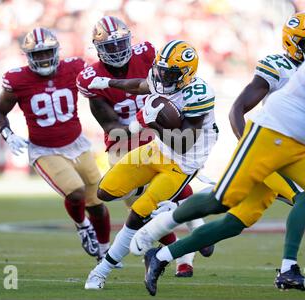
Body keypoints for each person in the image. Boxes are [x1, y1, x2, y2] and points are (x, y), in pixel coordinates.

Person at [142, 29, 305, 299]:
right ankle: (158, 226)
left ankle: (162, 255)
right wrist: (243, 143)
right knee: (223, 199)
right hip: (271, 136)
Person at [132, 12, 305, 291]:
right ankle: (289, 269)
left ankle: (162, 255)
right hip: (271, 149)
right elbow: (237, 109)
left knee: (234, 221)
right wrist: (249, 144)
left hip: (295, 153)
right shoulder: (278, 66)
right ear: (291, 42)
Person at [76, 16, 211, 278]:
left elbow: (160, 84)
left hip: (156, 133)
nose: (116, 51)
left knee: (176, 184)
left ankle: (198, 233)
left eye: (120, 44)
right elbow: (113, 127)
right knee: (138, 205)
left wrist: (160, 120)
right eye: (109, 47)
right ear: (98, 48)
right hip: (122, 141)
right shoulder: (91, 77)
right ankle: (178, 250)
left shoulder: (147, 53)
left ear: (129, 41)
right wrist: (144, 121)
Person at [0, 27, 110, 260]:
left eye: (47, 52)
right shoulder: (17, 79)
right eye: (38, 54)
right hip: (45, 150)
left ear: (56, 51)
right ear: (28, 56)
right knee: (76, 193)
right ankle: (83, 226)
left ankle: (105, 253)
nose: (44, 58)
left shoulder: (74, 68)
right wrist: (8, 133)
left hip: (78, 144)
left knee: (98, 201)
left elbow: (99, 83)